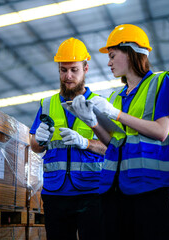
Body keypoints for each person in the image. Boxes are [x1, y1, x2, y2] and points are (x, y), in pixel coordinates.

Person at [70, 24, 169, 240]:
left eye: (112, 56)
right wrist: (93, 122)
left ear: (130, 52)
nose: (108, 63)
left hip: (149, 190)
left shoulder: (160, 82)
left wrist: (116, 114)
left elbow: (161, 131)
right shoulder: (115, 97)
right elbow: (114, 143)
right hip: (114, 192)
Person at [29, 37, 107, 240]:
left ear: (86, 69)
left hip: (92, 192)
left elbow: (112, 147)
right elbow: (35, 146)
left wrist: (86, 143)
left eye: (74, 69)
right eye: (63, 70)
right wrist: (38, 139)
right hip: (55, 193)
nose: (68, 76)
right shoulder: (47, 104)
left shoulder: (99, 104)